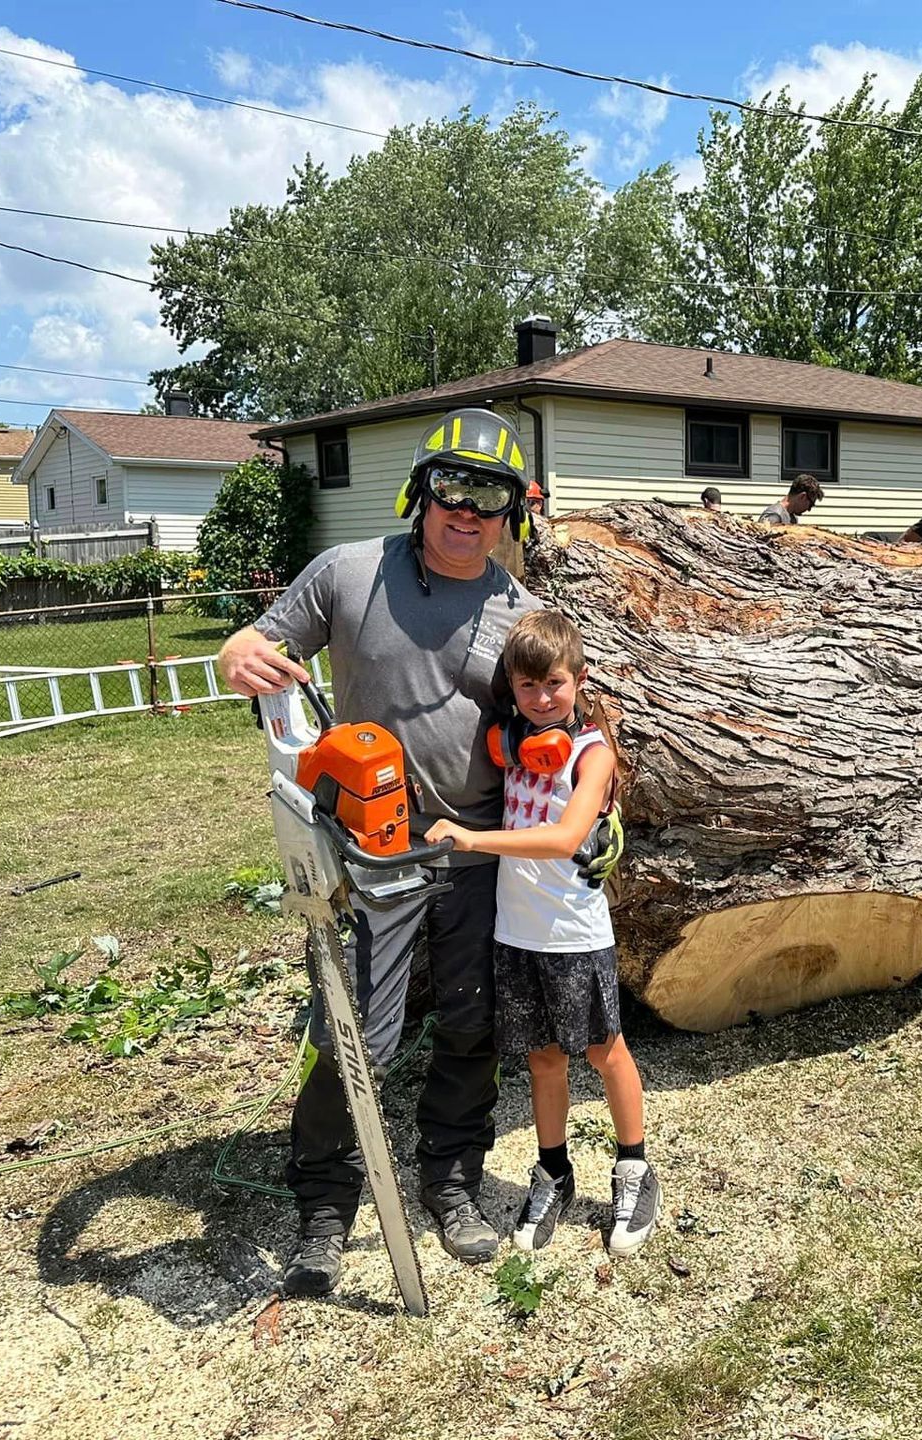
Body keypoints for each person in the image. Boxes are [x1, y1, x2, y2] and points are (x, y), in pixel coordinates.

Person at [216, 406, 538, 1295]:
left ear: (511, 511)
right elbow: (253, 643)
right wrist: (236, 655)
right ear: (420, 490)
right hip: (366, 859)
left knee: (472, 1029)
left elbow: (568, 719)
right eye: (451, 487)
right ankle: (326, 1204)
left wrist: (600, 799)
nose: (466, 510)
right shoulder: (347, 574)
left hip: (475, 856)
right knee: (350, 1035)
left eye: (490, 495)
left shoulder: (522, 613)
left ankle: (453, 1183)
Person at [425, 610, 662, 1257]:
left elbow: (563, 838)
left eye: (553, 683)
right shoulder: (515, 744)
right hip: (517, 934)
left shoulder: (591, 754)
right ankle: (553, 1170)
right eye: (526, 687)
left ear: (579, 680)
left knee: (603, 1052)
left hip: (575, 936)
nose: (540, 698)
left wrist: (472, 837)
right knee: (543, 1059)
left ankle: (636, 1169)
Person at [759, 474, 823, 525]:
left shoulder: (792, 518)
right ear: (802, 496)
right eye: (810, 505)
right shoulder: (773, 517)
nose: (809, 510)